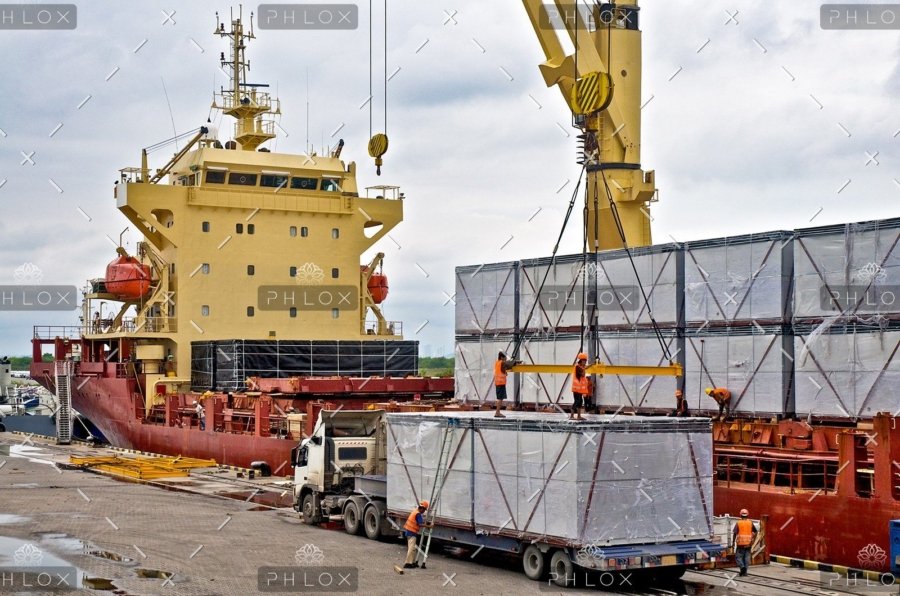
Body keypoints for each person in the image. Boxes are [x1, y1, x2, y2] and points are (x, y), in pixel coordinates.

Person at [402, 500, 429, 569]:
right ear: (422, 508)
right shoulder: (418, 514)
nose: (424, 511)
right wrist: (429, 526)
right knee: (411, 548)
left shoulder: (415, 511)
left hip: (409, 532)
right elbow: (420, 524)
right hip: (412, 532)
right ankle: (407, 563)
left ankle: (412, 562)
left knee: (413, 548)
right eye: (424, 510)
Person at [731, 508, 758, 576]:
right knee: (746, 558)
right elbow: (756, 532)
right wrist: (753, 540)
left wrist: (733, 543)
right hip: (748, 544)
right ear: (747, 515)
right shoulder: (750, 523)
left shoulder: (738, 523)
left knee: (738, 557)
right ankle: (745, 572)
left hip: (740, 544)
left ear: (740, 515)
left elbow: (735, 533)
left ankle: (742, 567)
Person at [493, 351, 518, 418]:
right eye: (505, 357)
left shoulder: (497, 362)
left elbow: (504, 368)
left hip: (498, 382)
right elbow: (509, 364)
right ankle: (497, 412)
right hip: (500, 383)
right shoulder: (502, 362)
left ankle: (497, 412)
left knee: (500, 398)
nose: (505, 358)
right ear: (502, 357)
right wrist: (514, 361)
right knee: (500, 398)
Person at [570, 353, 590, 421]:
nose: (585, 362)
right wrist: (584, 368)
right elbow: (583, 374)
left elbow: (584, 368)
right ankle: (572, 416)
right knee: (577, 401)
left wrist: (588, 366)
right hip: (576, 389)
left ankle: (579, 416)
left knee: (580, 401)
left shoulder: (581, 367)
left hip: (579, 389)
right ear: (580, 361)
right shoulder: (578, 367)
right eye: (584, 361)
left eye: (585, 361)